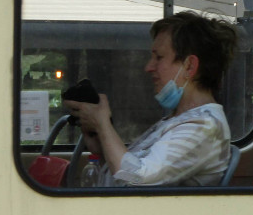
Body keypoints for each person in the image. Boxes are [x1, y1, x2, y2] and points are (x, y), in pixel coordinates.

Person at [64, 11, 239, 187]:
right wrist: (101, 146)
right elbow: (124, 175)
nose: (149, 67)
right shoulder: (176, 121)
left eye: (159, 57)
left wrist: (103, 124)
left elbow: (135, 178)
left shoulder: (203, 127)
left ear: (189, 67)